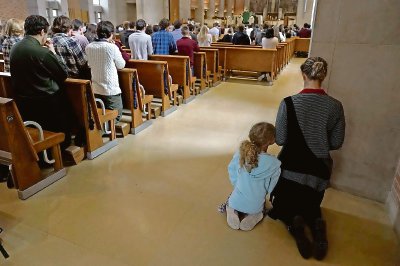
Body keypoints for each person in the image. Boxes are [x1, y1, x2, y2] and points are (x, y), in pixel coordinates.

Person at [268, 57, 345, 260]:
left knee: (283, 207)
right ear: (323, 77)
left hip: (290, 168)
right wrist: (317, 140)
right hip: (318, 171)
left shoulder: (288, 103)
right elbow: (337, 143)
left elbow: (281, 139)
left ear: (303, 75)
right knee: (312, 205)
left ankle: (295, 226)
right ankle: (317, 225)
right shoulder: (335, 106)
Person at [10, 15, 73, 149]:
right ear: (42, 32)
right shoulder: (41, 52)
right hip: (46, 102)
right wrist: (52, 52)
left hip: (23, 100)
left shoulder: (15, 47)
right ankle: (60, 148)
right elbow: (62, 74)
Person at [226, 122, 281, 231]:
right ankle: (254, 216)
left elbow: (231, 169)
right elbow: (271, 187)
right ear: (271, 141)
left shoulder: (240, 153)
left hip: (236, 200)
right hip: (255, 204)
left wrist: (237, 183)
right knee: (258, 208)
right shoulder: (274, 164)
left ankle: (232, 211)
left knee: (232, 199)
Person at [85, 21, 126, 122]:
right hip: (110, 88)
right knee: (117, 115)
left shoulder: (89, 46)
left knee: (100, 113)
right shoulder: (112, 47)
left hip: (95, 86)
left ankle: (101, 128)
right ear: (111, 34)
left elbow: (89, 64)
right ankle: (105, 129)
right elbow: (121, 65)